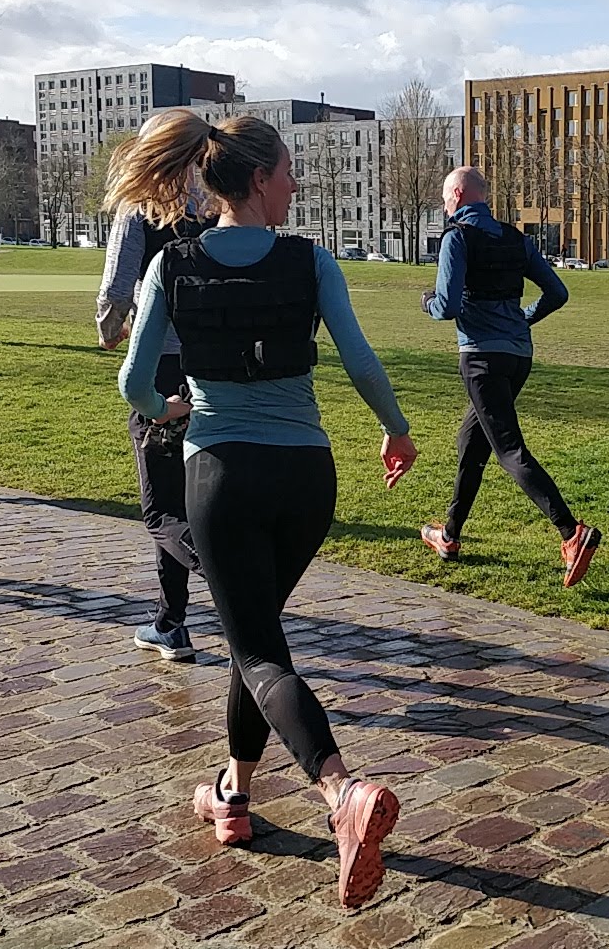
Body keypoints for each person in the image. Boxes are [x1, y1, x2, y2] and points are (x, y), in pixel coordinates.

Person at [113, 109, 418, 909]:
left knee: (256, 650)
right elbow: (358, 359)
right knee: (260, 636)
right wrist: (396, 431)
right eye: (287, 172)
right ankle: (234, 794)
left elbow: (133, 386)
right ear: (256, 180)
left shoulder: (171, 266)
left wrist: (175, 410)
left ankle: (340, 794)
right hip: (306, 480)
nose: (294, 186)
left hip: (220, 475)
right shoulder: (310, 262)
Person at [418, 167, 602, 586]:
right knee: (471, 441)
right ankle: (449, 535)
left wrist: (426, 302)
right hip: (518, 356)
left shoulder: (457, 237)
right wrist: (522, 319)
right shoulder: (517, 239)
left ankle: (572, 532)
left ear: (459, 195)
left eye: (446, 198)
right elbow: (557, 292)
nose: (445, 205)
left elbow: (446, 306)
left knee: (508, 450)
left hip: (481, 359)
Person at [98, 188, 212, 660]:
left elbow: (118, 285)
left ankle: (225, 573)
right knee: (185, 495)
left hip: (159, 365)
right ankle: (171, 621)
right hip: (208, 365)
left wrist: (108, 330)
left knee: (159, 509)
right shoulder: (212, 202)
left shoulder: (139, 208)